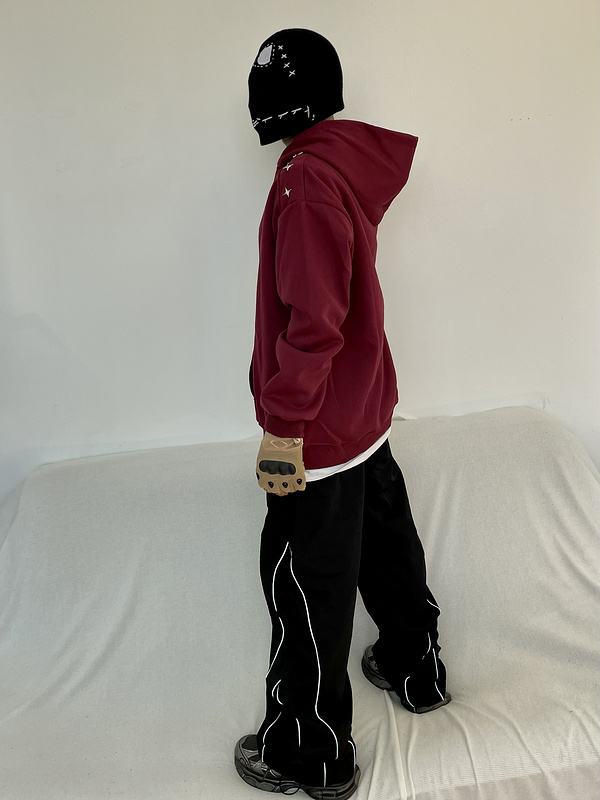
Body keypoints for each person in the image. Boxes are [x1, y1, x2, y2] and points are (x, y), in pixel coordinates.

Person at [234, 28, 450, 800]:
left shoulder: (306, 181)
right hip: (365, 409)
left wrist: (283, 426)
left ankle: (311, 753)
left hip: (320, 428)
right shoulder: (343, 162)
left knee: (305, 585)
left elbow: (314, 322)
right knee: (387, 547)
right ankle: (415, 669)